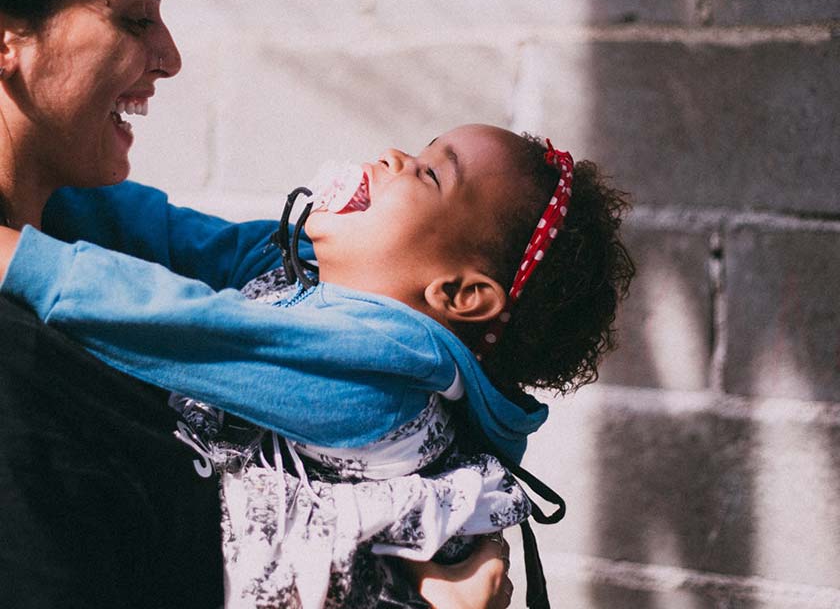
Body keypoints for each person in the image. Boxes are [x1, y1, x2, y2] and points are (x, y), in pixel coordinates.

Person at [0, 0, 513, 608]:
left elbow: (207, 258)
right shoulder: (24, 356)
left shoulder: (82, 227)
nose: (169, 56)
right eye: (136, 17)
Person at [0, 123, 635, 607]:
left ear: (459, 294)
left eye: (430, 176)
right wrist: (44, 179)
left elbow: (194, 329)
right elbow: (168, 233)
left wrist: (18, 258)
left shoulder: (379, 382)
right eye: (420, 148)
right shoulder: (307, 275)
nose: (393, 158)